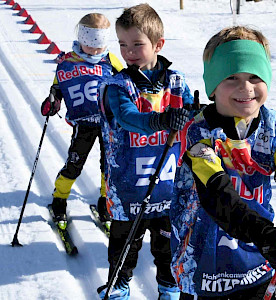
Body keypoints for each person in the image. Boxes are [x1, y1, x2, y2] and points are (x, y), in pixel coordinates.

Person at [170, 26, 276, 300]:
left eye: (254, 76)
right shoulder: (198, 131)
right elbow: (217, 195)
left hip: (256, 259)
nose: (245, 87)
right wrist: (268, 236)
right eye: (231, 77)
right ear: (213, 86)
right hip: (203, 262)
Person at [96, 4, 194, 300]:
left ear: (158, 45)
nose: (129, 52)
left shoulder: (177, 81)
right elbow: (126, 117)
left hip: (168, 187)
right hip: (129, 187)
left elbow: (192, 115)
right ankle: (119, 286)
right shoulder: (118, 84)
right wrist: (161, 120)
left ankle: (169, 286)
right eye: (123, 45)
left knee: (168, 246)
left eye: (137, 44)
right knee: (125, 246)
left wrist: (197, 114)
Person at [41, 13, 123, 229]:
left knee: (109, 166)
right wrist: (53, 101)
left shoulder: (110, 60)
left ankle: (105, 201)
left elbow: (125, 83)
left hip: (109, 125)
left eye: (99, 47)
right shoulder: (68, 62)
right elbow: (58, 87)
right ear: (82, 40)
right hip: (83, 124)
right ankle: (59, 198)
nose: (95, 52)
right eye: (90, 46)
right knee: (75, 163)